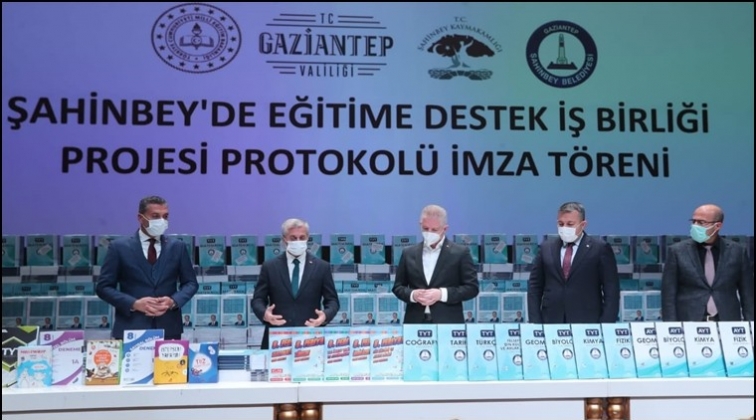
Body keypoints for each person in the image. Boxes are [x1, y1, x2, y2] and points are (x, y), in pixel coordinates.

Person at [96, 195, 199, 340]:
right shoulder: (119, 248)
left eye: (165, 216)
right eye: (155, 216)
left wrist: (173, 301)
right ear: (140, 218)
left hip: (169, 329)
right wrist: (134, 304)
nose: (161, 221)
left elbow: (191, 283)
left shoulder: (178, 247)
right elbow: (103, 287)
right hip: (131, 328)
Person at [251, 218, 340, 349]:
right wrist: (265, 314)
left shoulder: (322, 267)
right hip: (277, 338)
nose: (298, 241)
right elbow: (258, 299)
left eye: (302, 237)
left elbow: (332, 301)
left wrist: (325, 316)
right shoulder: (270, 267)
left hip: (310, 339)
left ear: (307, 238)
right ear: (284, 239)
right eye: (293, 238)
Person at [528, 202, 620, 324]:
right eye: (561, 224)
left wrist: (606, 324)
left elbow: (611, 290)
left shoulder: (599, 248)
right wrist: (535, 323)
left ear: (583, 225)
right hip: (551, 321)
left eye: (570, 224)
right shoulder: (546, 248)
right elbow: (534, 287)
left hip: (587, 322)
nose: (564, 228)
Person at [661, 204, 754, 322]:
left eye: (701, 222)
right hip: (690, 321)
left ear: (718, 226)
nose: (695, 226)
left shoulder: (737, 252)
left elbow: (748, 295)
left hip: (727, 322)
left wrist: (751, 325)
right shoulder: (677, 252)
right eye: (693, 221)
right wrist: (671, 326)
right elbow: (668, 296)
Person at [392, 205, 479, 324]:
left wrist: (441, 294)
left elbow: (472, 288)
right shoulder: (408, 253)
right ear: (420, 225)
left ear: (445, 229)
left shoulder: (460, 253)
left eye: (434, 230)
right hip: (415, 322)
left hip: (448, 323)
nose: (429, 233)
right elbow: (398, 287)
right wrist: (413, 295)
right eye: (425, 228)